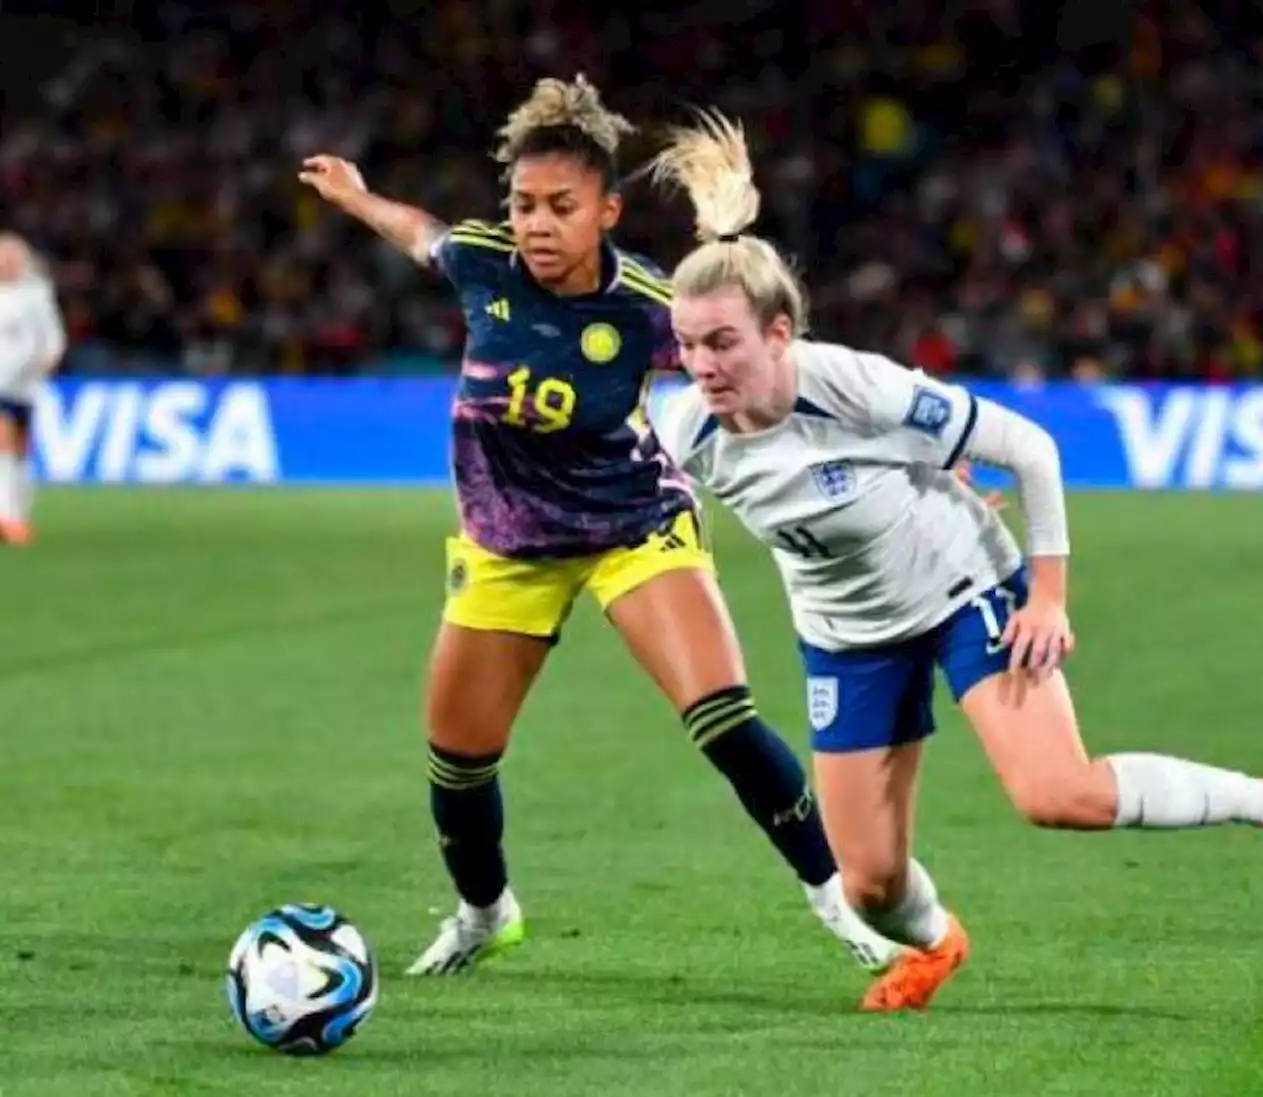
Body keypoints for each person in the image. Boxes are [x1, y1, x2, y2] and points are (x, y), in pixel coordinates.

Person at [646, 109, 1263, 1010]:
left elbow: (1030, 449)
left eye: (724, 342)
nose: (702, 364)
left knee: (1057, 792)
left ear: (779, 335)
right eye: (688, 345)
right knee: (868, 883)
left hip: (960, 588)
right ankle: (939, 943)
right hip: (846, 636)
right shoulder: (688, 432)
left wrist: (1048, 595)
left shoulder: (855, 386)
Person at [300, 77, 920, 993]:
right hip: (508, 541)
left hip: (634, 526)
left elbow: (766, 361)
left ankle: (839, 899)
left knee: (723, 714)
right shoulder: (484, 261)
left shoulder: (648, 303)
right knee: (459, 758)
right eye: (522, 205)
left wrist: (918, 444)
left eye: (561, 207)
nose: (536, 224)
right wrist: (355, 196)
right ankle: (486, 914)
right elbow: (421, 234)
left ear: (608, 211)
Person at [0, 233, 65, 546]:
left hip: (23, 384)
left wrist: (48, 360)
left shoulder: (35, 294)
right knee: (4, 445)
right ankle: (7, 517)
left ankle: (19, 513)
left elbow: (52, 336)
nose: (7, 262)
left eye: (12, 256)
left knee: (20, 453)